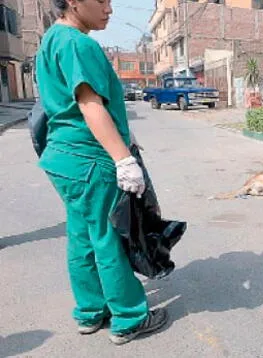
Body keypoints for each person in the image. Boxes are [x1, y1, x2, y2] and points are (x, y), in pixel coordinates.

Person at [35, 0, 168, 345]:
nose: (110, 9)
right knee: (109, 237)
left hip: (64, 158)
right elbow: (89, 103)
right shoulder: (79, 43)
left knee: (82, 235)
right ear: (75, 2)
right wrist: (123, 159)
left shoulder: (52, 39)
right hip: (90, 158)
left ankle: (90, 311)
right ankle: (129, 317)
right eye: (103, 1)